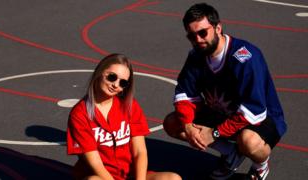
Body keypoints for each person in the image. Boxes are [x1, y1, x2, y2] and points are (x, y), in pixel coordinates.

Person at [163, 3, 287, 180]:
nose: (197, 39)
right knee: (173, 123)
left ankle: (261, 165)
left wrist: (214, 133)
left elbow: (254, 111)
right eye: (191, 36)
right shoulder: (196, 56)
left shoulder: (245, 58)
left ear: (218, 28)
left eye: (202, 32)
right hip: (223, 113)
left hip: (260, 118)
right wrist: (189, 126)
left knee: (249, 142)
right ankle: (231, 153)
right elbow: (185, 95)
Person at [67, 53, 181, 180]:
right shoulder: (80, 114)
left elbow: (140, 152)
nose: (116, 85)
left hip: (128, 175)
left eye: (123, 83)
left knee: (173, 178)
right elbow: (96, 164)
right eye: (111, 77)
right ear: (99, 73)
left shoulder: (129, 106)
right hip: (100, 176)